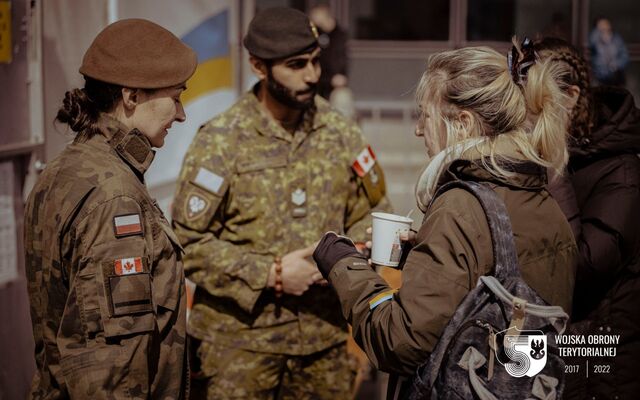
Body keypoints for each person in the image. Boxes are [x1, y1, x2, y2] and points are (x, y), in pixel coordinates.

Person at [313, 43, 577, 393]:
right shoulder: (543, 198)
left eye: (425, 114)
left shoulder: (460, 207)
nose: (418, 129)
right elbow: (496, 282)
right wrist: (423, 256)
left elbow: (398, 342)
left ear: (463, 123)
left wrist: (343, 264)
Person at [171, 7, 390, 399]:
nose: (312, 75)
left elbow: (370, 216)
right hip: (239, 348)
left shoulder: (341, 133)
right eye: (295, 65)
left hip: (322, 344)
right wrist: (269, 273)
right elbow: (187, 244)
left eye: (315, 61)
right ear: (259, 66)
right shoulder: (221, 140)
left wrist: (346, 255)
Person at [24, 19, 196, 399]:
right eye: (176, 97)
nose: (181, 115)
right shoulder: (115, 198)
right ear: (131, 97)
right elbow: (113, 370)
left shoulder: (65, 169)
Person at [535, 37, 640, 400]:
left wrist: (554, 166)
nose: (526, 120)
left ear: (572, 97)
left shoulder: (623, 173)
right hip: (553, 354)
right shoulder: (551, 162)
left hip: (598, 366)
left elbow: (581, 268)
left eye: (537, 107)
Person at [309, 4, 349, 99]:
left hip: (336, 84)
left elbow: (341, 61)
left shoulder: (339, 36)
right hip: (319, 83)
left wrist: (339, 77)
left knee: (342, 99)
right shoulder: (315, 35)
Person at [589, 17, 629, 86]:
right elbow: (592, 44)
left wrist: (616, 65)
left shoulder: (616, 38)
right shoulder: (594, 37)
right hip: (599, 76)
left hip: (616, 76)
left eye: (605, 24)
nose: (604, 26)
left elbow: (624, 56)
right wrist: (599, 36)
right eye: (601, 24)